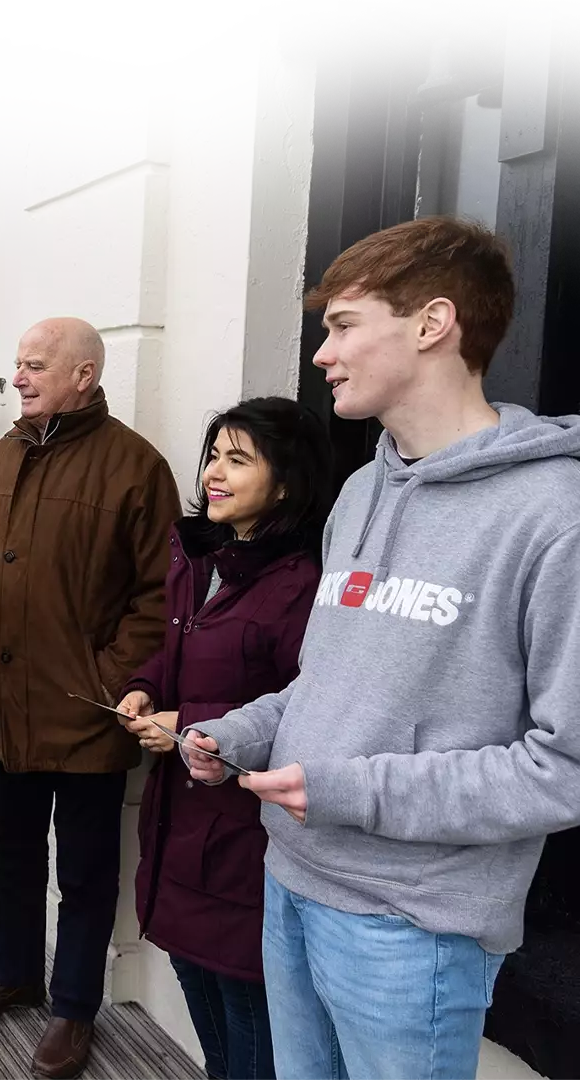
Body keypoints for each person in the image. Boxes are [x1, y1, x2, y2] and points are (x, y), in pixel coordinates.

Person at [184, 216, 580, 1080]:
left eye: (341, 325)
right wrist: (242, 730)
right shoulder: (361, 489)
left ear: (431, 323)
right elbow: (328, 682)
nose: (321, 353)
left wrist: (343, 788)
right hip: (289, 876)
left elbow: (563, 766)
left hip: (412, 925)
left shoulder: (556, 514)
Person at [0, 316, 181, 1079]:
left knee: (82, 873)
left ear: (83, 374)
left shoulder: (135, 468)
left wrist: (109, 683)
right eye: (17, 364)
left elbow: (158, 596)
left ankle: (72, 1008)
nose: (17, 377)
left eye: (34, 364)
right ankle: (13, 970)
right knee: (8, 853)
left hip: (86, 716)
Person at [117, 397, 332, 1080]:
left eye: (237, 460)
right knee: (194, 982)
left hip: (244, 839)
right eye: (213, 454)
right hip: (178, 820)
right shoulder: (197, 556)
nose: (213, 472)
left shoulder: (299, 585)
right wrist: (146, 686)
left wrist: (191, 720)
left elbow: (307, 711)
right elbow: (172, 647)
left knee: (247, 1011)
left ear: (287, 481)